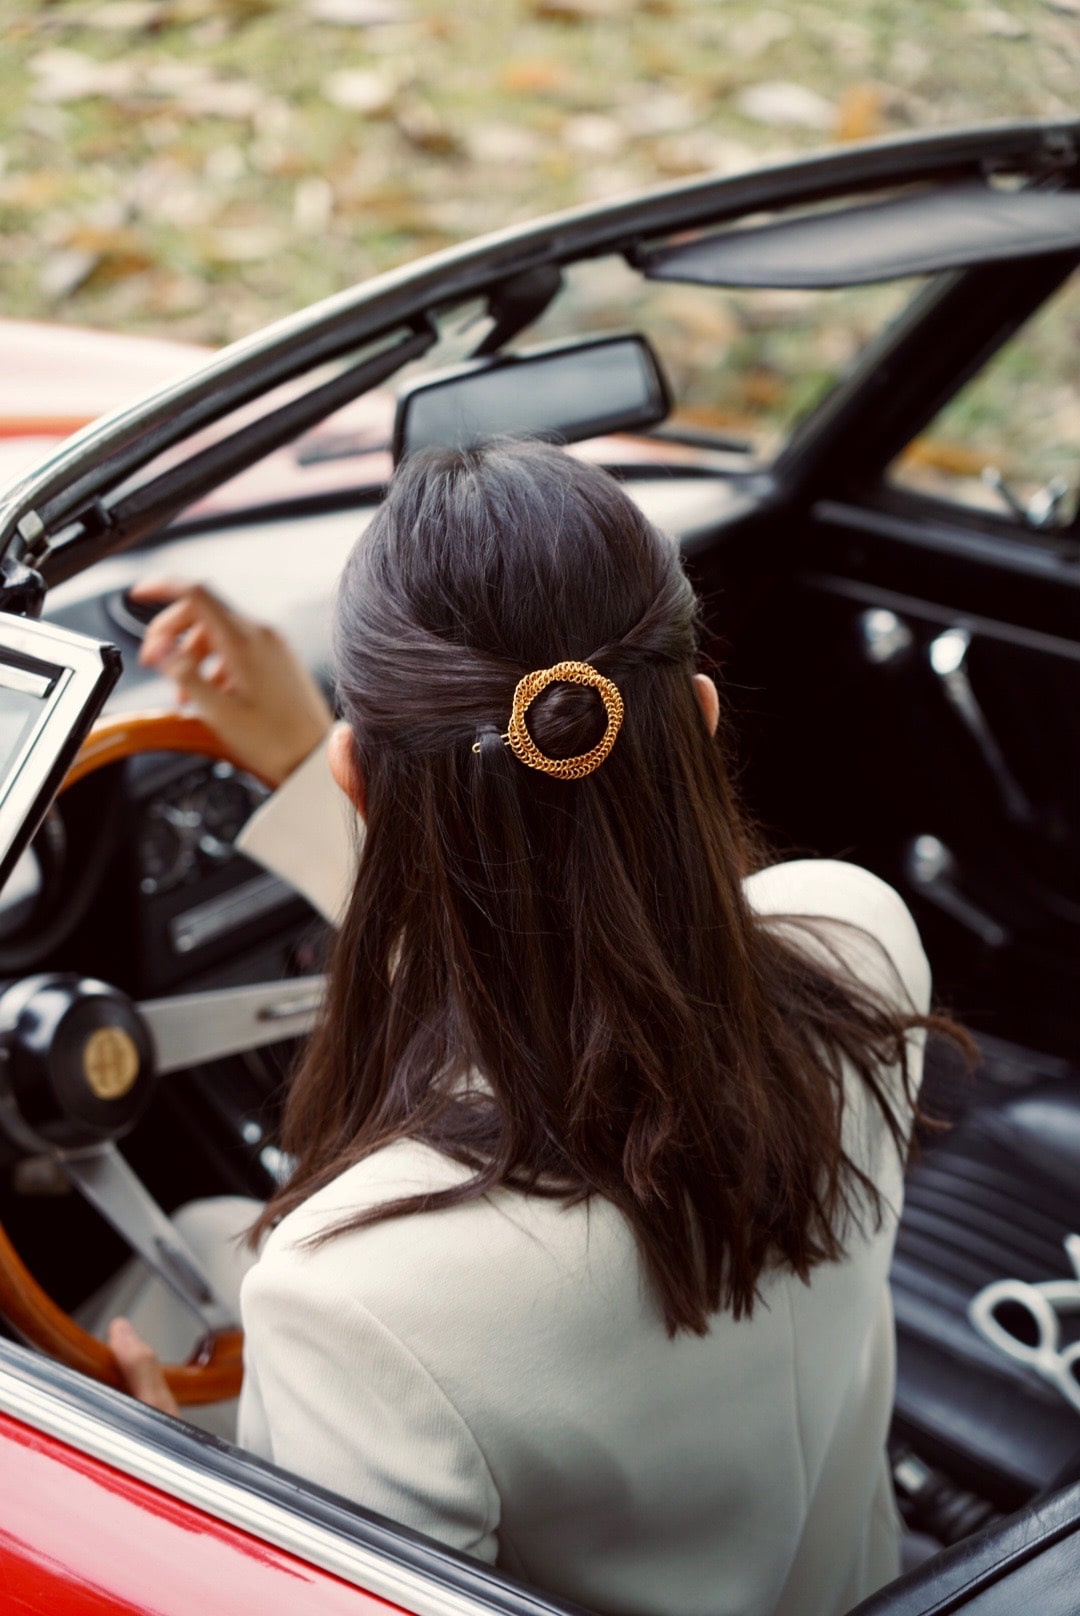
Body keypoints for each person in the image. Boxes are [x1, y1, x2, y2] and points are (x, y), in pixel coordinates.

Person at [107, 439, 961, 1616]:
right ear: (699, 713)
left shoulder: (352, 1292)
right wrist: (325, 761)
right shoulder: (857, 939)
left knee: (186, 1255)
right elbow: (573, 941)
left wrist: (171, 1494)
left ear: (357, 778)